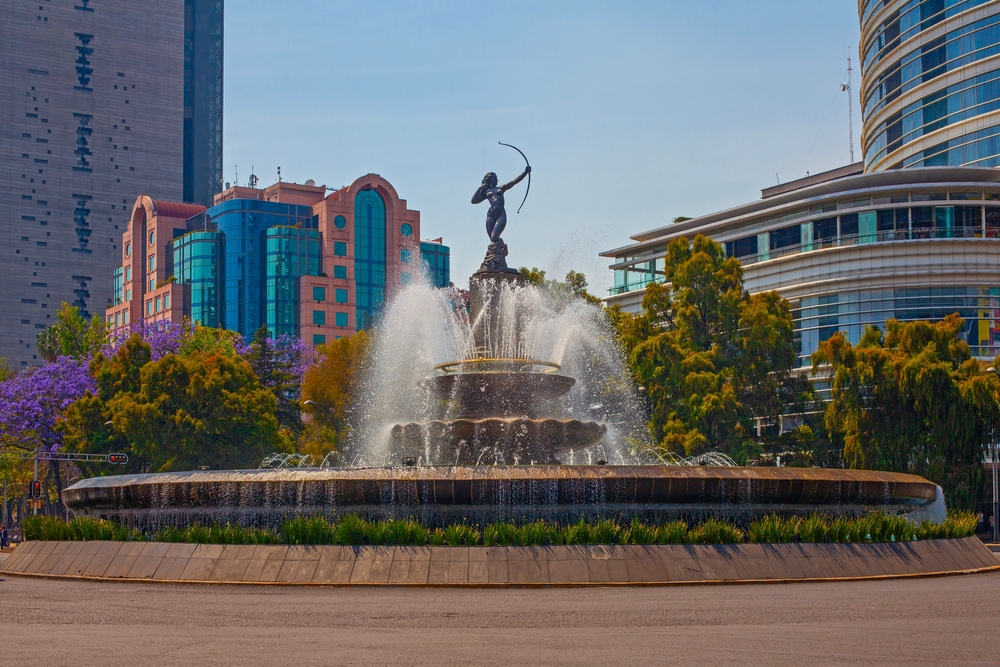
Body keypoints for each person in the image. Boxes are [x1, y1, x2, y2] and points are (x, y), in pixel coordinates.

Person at [471, 166, 531, 243]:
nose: (497, 180)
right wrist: (480, 188)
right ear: (490, 179)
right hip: (491, 214)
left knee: (494, 236)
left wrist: (525, 173)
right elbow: (473, 201)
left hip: (500, 213)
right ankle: (498, 248)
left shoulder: (501, 188)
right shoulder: (486, 193)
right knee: (492, 240)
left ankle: (503, 246)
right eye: (495, 178)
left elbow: (514, 182)